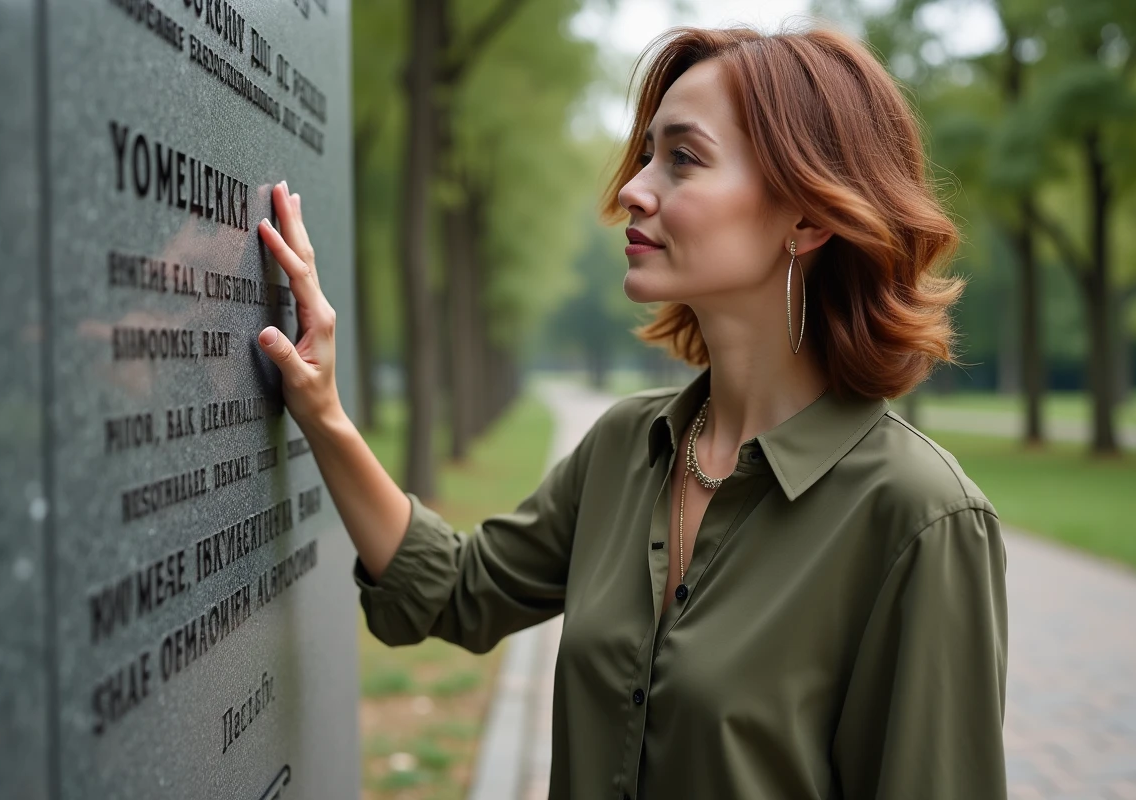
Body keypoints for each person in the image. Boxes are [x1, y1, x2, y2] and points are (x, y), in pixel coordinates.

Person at [255, 25, 1008, 800]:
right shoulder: (625, 447)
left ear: (806, 218)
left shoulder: (920, 520)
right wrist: (321, 409)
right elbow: (454, 589)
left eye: (683, 158)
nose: (632, 190)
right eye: (648, 154)